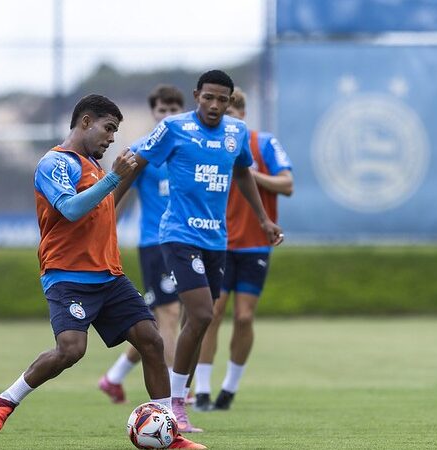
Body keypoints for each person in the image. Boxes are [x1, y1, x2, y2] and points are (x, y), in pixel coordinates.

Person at [0, 94, 205, 450]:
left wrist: (125, 177)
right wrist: (114, 177)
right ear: (85, 122)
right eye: (109, 128)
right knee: (71, 349)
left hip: (109, 276)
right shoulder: (55, 163)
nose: (112, 137)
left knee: (151, 340)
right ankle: (7, 399)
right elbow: (71, 209)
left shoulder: (96, 169)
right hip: (68, 275)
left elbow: (104, 210)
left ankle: (170, 436)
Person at [116, 70, 284, 433]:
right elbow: (136, 160)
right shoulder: (174, 128)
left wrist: (264, 219)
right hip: (178, 235)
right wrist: (109, 207)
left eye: (222, 99)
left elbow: (242, 174)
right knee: (204, 314)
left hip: (216, 240)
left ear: (228, 102)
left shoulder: (235, 133)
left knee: (197, 320)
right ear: (197, 95)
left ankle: (177, 403)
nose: (214, 105)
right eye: (208, 97)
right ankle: (175, 403)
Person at [194, 87, 294, 412]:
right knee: (212, 315)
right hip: (218, 243)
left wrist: (252, 175)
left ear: (243, 116)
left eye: (233, 115)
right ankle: (204, 391)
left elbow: (287, 184)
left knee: (244, 317)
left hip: (253, 246)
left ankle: (229, 389)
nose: (228, 123)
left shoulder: (263, 143)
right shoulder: (209, 145)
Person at [98, 85, 186, 404]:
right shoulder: (141, 149)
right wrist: (104, 232)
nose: (168, 114)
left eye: (174, 108)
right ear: (154, 112)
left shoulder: (188, 148)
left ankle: (114, 377)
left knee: (161, 323)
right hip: (156, 244)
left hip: (189, 242)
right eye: (162, 109)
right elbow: (119, 196)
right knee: (170, 317)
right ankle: (177, 399)